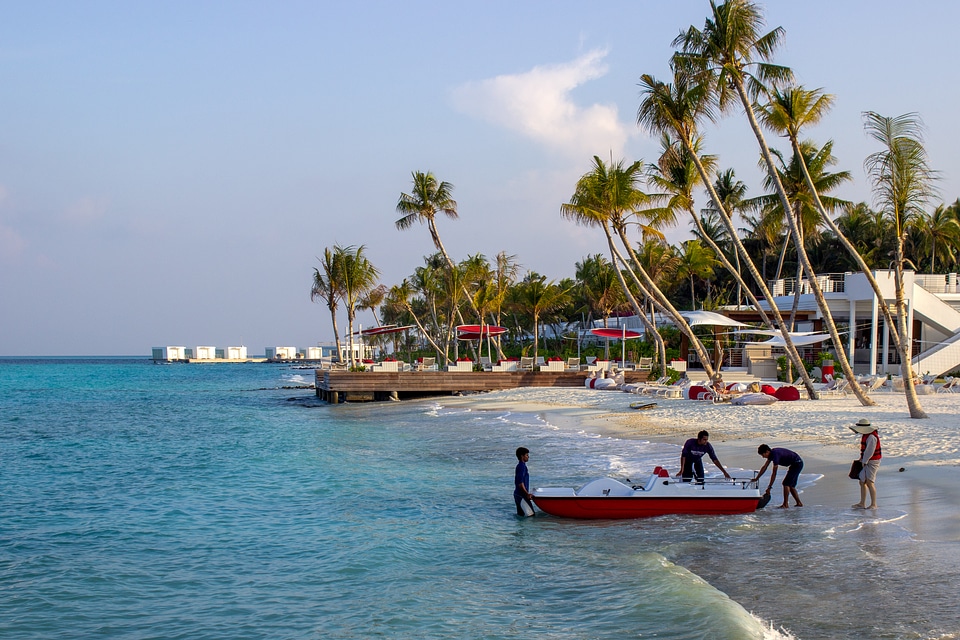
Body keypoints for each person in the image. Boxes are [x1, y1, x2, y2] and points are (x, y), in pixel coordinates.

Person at [753, 444, 804, 508]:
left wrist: (769, 487)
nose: (763, 457)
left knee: (786, 484)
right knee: (791, 486)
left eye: (763, 455)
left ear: (767, 452)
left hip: (797, 464)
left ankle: (785, 504)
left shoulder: (775, 455)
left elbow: (774, 473)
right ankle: (799, 503)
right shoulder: (772, 454)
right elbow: (765, 467)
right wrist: (757, 478)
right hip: (796, 463)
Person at [850, 418, 881, 509]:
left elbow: (869, 451)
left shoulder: (871, 437)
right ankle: (862, 503)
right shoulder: (867, 435)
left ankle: (873, 504)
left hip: (872, 461)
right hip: (866, 461)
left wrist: (864, 461)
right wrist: (862, 459)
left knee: (869, 482)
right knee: (862, 481)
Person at [514, 447, 535, 516]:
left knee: (521, 515)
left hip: (517, 495)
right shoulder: (522, 466)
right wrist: (527, 494)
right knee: (531, 515)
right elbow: (520, 483)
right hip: (521, 495)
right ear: (522, 456)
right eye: (526, 455)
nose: (528, 456)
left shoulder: (519, 466)